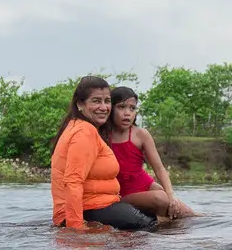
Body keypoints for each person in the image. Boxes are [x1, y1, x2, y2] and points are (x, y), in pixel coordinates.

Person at [50, 76, 157, 231]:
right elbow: (73, 182)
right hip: (89, 210)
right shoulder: (84, 132)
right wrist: (76, 229)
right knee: (152, 227)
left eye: (107, 101)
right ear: (80, 104)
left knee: (156, 218)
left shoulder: (82, 128)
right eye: (96, 101)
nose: (104, 107)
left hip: (97, 206)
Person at [104, 87, 196, 220]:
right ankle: (161, 223)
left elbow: (159, 168)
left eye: (132, 108)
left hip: (145, 184)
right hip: (123, 193)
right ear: (111, 108)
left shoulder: (141, 134)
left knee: (187, 213)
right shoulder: (103, 136)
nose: (127, 113)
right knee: (161, 199)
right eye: (121, 107)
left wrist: (171, 197)